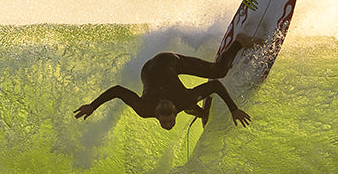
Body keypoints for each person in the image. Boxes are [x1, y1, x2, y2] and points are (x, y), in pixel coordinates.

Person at [74, 36, 257, 129]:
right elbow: (117, 90)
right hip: (147, 69)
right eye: (168, 122)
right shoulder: (146, 109)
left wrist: (234, 109)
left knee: (219, 72)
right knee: (188, 104)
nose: (168, 125)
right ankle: (201, 112)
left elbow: (216, 85)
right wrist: (93, 106)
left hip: (169, 61)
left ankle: (239, 42)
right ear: (157, 115)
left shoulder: (145, 108)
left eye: (167, 122)